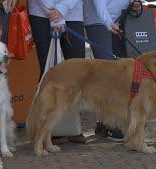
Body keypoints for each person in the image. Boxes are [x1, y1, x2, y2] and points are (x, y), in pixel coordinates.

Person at [83, 0, 145, 141]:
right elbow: (99, 5)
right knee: (108, 75)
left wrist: (133, 4)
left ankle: (108, 123)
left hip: (119, 21)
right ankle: (110, 125)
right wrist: (108, 23)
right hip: (99, 21)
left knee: (120, 75)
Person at [28, 0, 86, 143]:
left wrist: (62, 9)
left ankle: (72, 128)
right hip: (41, 13)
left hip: (73, 13)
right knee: (48, 72)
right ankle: (47, 129)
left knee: (77, 74)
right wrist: (53, 13)